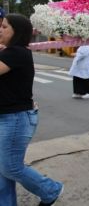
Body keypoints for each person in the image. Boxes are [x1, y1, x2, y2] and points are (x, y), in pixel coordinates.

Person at [0, 13, 63, 205]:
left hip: (15, 119)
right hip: (8, 116)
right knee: (3, 168)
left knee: (11, 167)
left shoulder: (16, 53)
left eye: (4, 27)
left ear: (16, 32)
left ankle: (51, 190)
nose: (0, 30)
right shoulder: (11, 51)